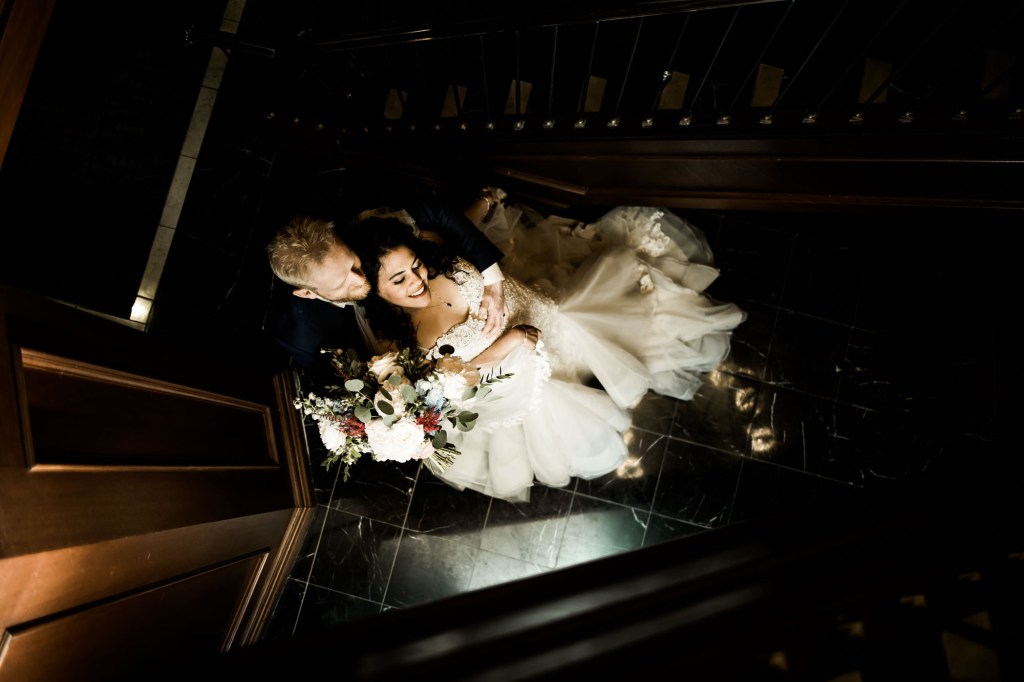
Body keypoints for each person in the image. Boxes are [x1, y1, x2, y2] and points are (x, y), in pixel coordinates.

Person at [342, 195, 747, 501]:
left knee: (583, 330)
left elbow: (455, 229)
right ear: (373, 291)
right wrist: (509, 343)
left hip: (534, 306)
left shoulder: (430, 251)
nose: (417, 281)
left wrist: (482, 208)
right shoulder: (396, 345)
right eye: (398, 280)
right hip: (514, 366)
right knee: (557, 379)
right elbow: (448, 385)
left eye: (415, 266)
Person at [265, 194, 507, 385]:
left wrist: (494, 282)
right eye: (342, 284)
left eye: (353, 264)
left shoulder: (356, 227)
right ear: (307, 292)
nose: (362, 280)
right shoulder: (302, 335)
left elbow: (438, 213)